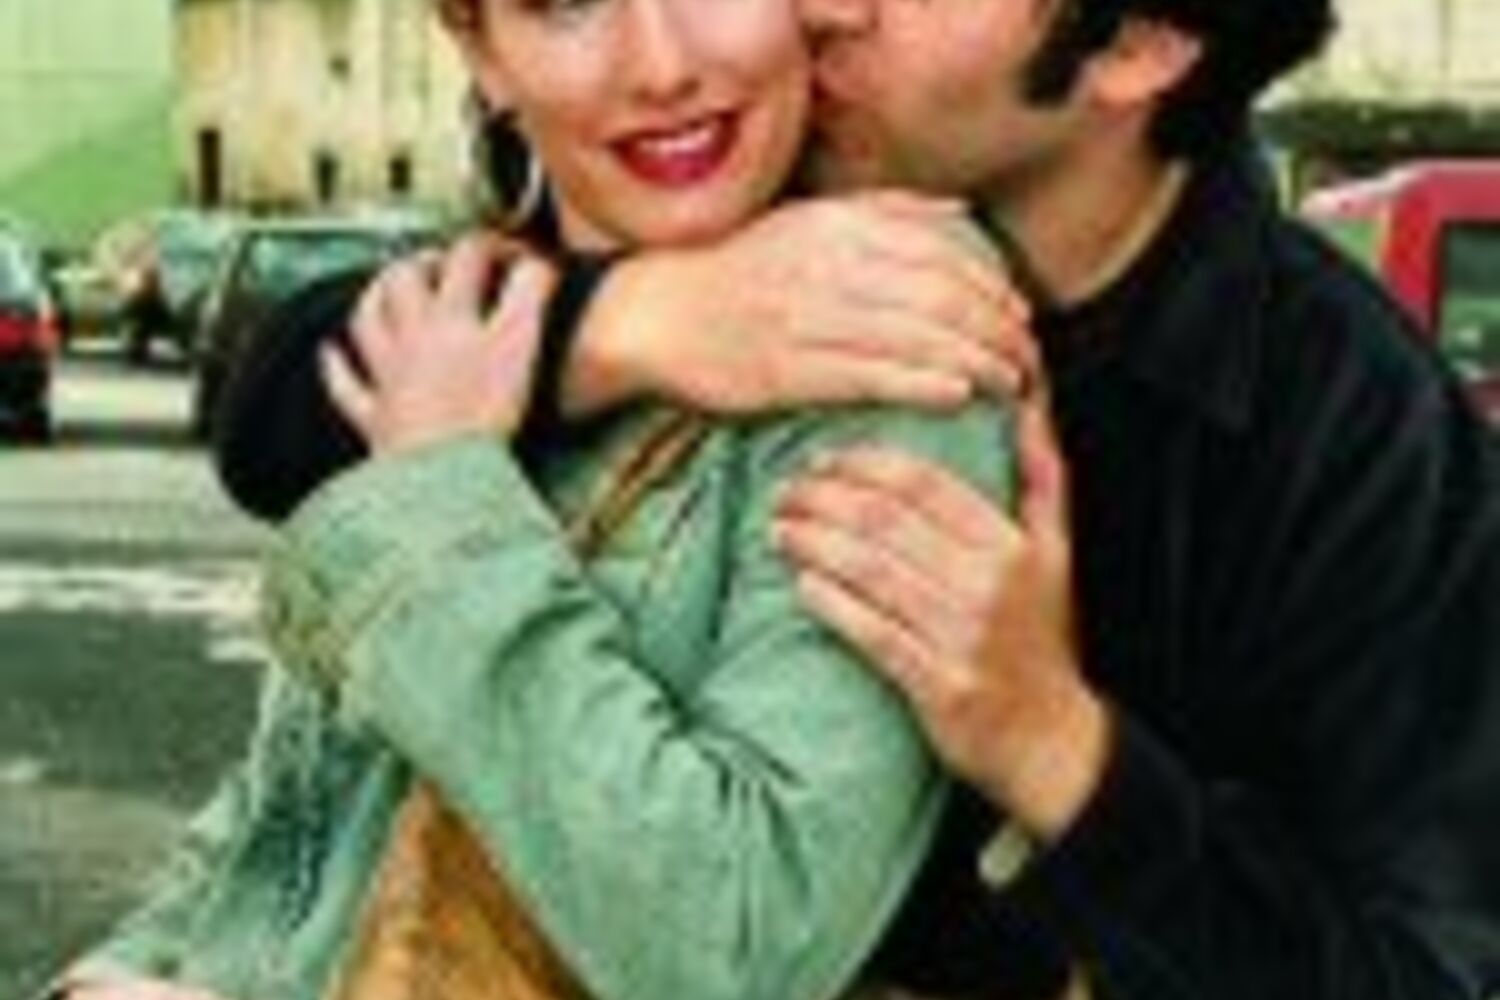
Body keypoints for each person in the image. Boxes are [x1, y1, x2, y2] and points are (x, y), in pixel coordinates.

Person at [216, 0, 1500, 997]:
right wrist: (631, 323)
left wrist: (1057, 748)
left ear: (1139, 45)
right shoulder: (766, 195)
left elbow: (1418, 973)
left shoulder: (1355, 438)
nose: (821, 6)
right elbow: (286, 408)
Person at [51, 0, 1026, 998]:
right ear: (481, 51)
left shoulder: (885, 322)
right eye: (566, 5)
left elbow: (739, 939)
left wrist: (443, 502)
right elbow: (303, 821)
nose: (660, 65)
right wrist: (120, 971)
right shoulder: (472, 320)